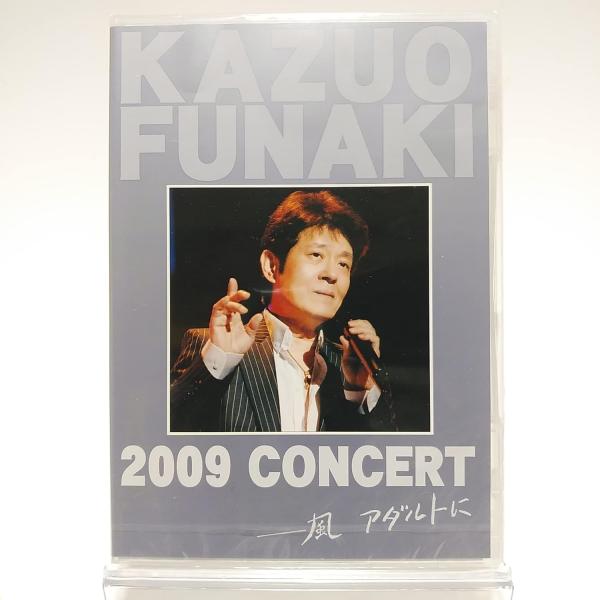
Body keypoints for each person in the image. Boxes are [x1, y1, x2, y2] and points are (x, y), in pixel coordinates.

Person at [170, 190, 395, 432]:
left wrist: (360, 391)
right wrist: (220, 359)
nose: (332, 274)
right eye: (316, 255)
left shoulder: (351, 367)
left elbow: (384, 450)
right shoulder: (214, 347)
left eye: (343, 263)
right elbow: (166, 432)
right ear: (271, 266)